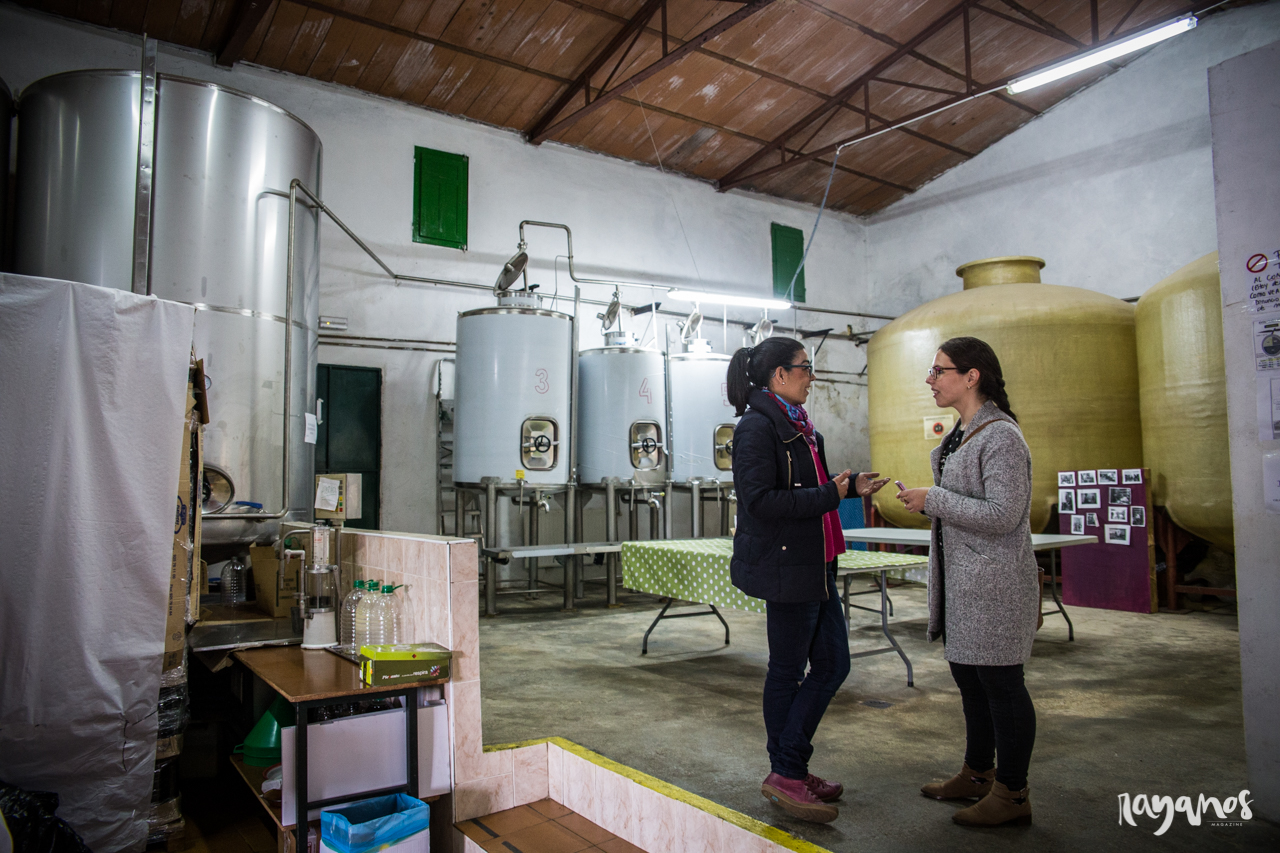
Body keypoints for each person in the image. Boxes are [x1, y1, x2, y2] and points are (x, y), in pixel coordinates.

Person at [726, 336, 889, 824]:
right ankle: (789, 771)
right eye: (804, 368)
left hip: (816, 562)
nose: (810, 376)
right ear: (780, 375)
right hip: (787, 566)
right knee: (788, 670)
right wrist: (827, 495)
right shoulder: (757, 428)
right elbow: (760, 501)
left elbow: (814, 488)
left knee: (833, 665)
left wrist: (850, 485)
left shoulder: (801, 427)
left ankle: (789, 766)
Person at [896, 336, 1038, 827]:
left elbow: (1004, 514)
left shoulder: (1000, 436)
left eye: (939, 371)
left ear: (971, 375)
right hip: (964, 585)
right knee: (971, 681)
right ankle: (978, 773)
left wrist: (931, 499)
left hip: (994, 585)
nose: (930, 380)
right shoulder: (962, 433)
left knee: (1001, 684)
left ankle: (1013, 793)